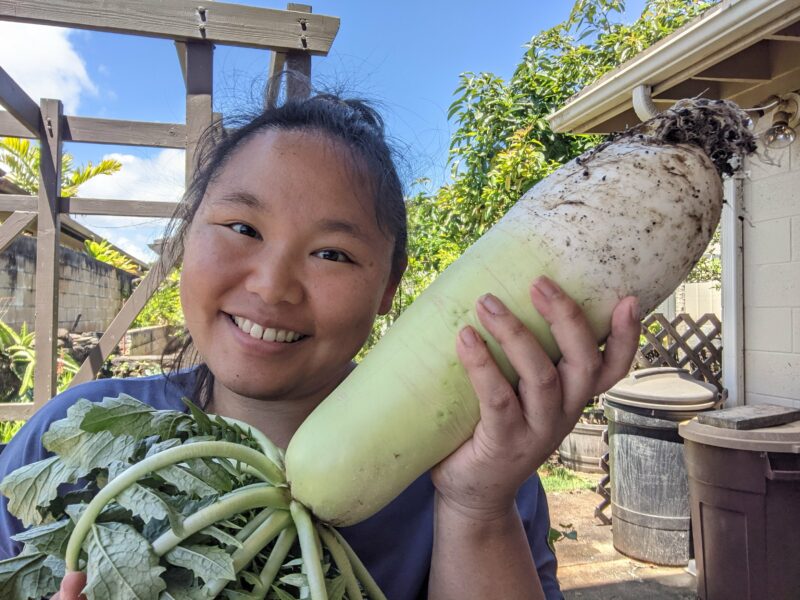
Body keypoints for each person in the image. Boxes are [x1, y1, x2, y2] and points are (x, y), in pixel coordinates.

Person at [0, 92, 640, 600]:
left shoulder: (484, 470)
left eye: (331, 253)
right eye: (243, 227)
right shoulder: (67, 437)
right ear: (184, 237)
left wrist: (476, 508)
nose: (273, 287)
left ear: (390, 288)